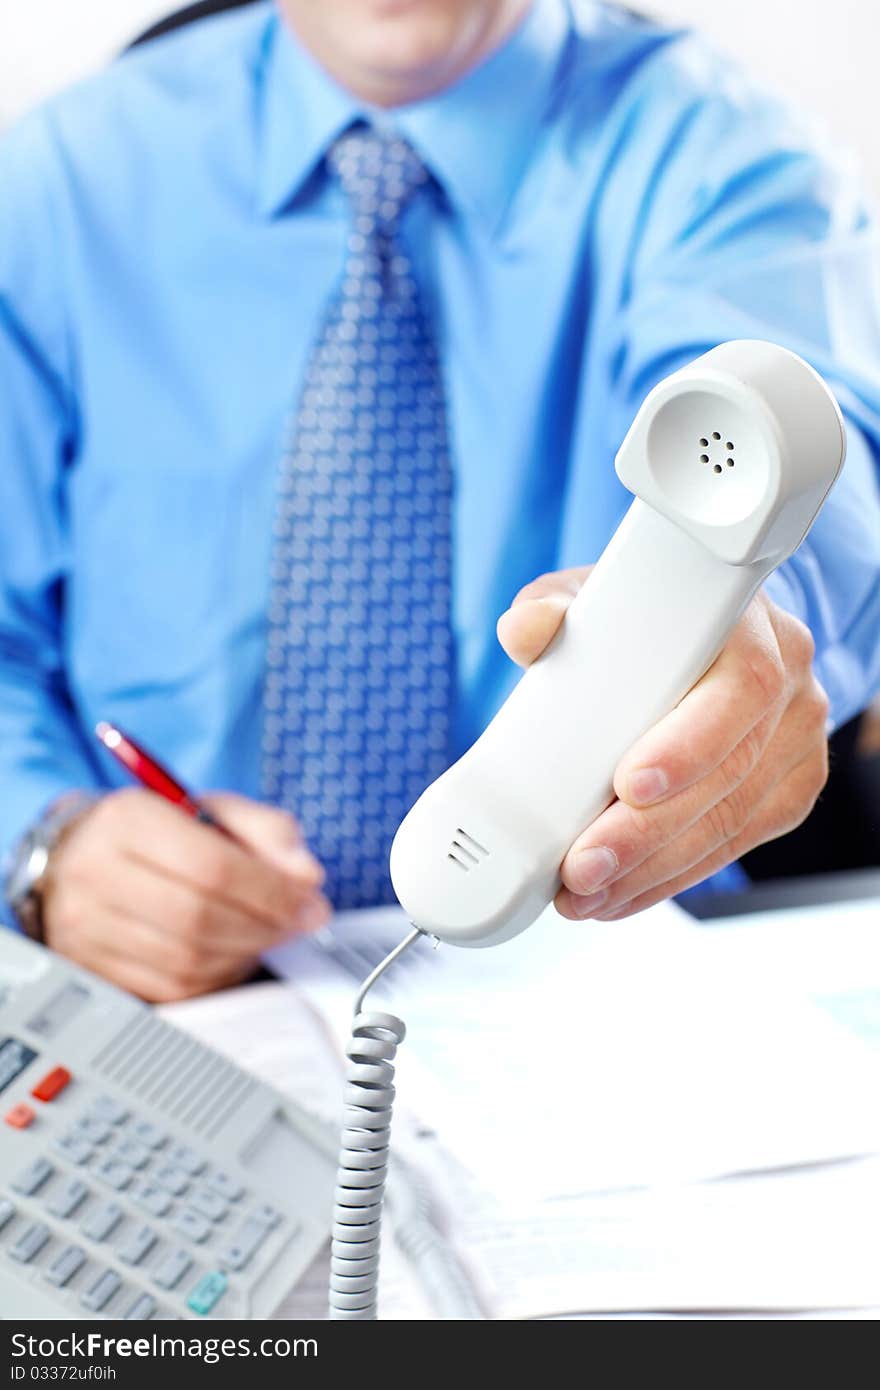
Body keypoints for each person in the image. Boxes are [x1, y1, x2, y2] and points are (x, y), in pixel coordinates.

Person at [1, 0, 878, 1002]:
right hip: (163, 1002)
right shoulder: (61, 180)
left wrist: (746, 621)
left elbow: (819, 439)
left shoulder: (728, 158)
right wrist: (43, 845)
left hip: (600, 980)